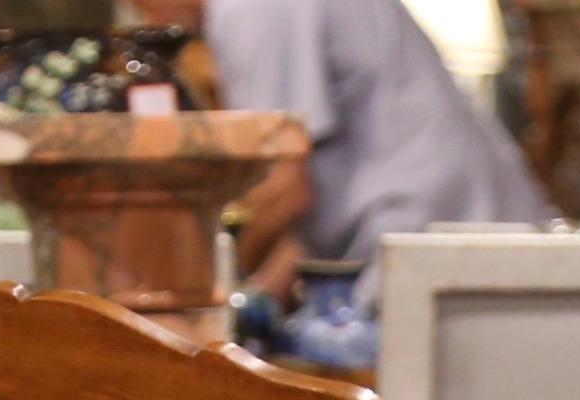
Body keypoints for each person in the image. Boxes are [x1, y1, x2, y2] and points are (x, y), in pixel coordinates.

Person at [201, 0, 551, 303]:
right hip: (482, 244)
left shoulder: (252, 7)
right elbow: (324, 201)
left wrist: (211, 283)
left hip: (446, 256)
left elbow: (286, 191)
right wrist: (258, 298)